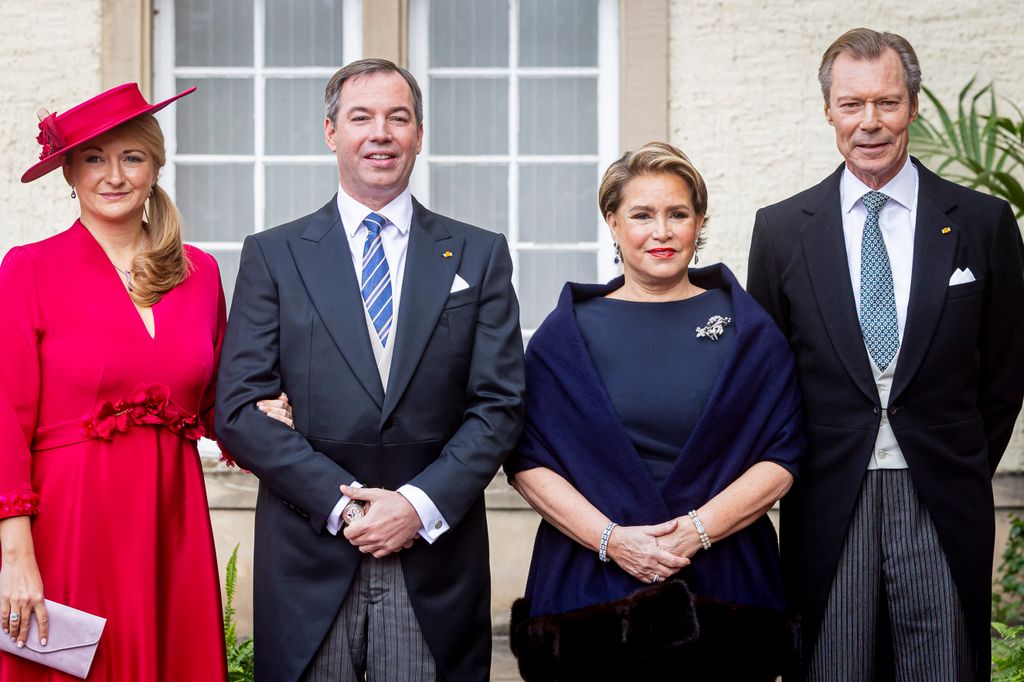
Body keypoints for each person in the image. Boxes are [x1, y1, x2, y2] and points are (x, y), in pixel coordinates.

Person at [215, 58, 526, 682]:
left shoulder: (478, 252)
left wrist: (415, 506)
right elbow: (240, 411)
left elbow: (499, 405)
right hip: (309, 554)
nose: (380, 132)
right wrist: (351, 511)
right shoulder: (273, 256)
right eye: (361, 117)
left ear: (417, 133)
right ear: (332, 132)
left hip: (433, 559)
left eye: (398, 117)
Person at [748, 28, 1024, 681]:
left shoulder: (982, 224)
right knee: (833, 667)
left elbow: (1006, 368)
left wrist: (956, 459)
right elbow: (769, 377)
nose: (869, 122)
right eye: (852, 104)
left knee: (944, 668)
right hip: (826, 495)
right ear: (828, 111)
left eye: (887, 102)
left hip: (942, 494)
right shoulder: (782, 231)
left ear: (914, 105)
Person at [0, 83, 292, 680]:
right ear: (69, 173)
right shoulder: (28, 270)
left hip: (171, 522)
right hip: (69, 524)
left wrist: (266, 415)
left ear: (155, 165)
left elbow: (219, 404)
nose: (114, 175)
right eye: (94, 159)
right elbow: (5, 416)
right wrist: (15, 554)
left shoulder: (201, 273)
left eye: (131, 157)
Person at [505, 142, 804, 681]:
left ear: (700, 222)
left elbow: (782, 455)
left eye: (677, 214)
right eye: (642, 215)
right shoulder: (565, 336)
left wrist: (696, 532)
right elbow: (528, 462)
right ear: (612, 222)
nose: (661, 232)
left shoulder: (749, 329)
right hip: (591, 602)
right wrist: (613, 541)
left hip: (726, 595)